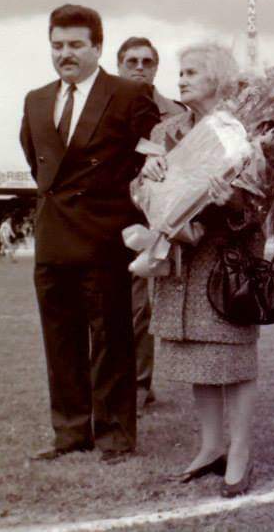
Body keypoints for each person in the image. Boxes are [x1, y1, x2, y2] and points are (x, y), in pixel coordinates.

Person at [19, 4, 159, 463]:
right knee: (59, 341)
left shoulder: (127, 95)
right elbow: (36, 160)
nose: (66, 54)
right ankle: (71, 433)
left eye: (76, 45)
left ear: (97, 47)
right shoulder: (36, 100)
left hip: (103, 239)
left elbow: (150, 160)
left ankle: (116, 436)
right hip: (53, 240)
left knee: (112, 340)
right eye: (57, 46)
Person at [142, 42, 259, 497]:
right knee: (195, 354)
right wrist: (148, 177)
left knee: (233, 356)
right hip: (181, 260)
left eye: (192, 72)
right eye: (181, 71)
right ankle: (211, 447)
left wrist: (233, 201)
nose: (182, 78)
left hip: (225, 260)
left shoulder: (241, 127)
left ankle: (242, 451)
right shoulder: (165, 128)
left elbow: (261, 200)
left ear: (216, 77)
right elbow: (140, 188)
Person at [116, 36, 187, 407]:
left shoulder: (176, 114)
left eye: (147, 61)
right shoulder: (104, 109)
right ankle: (116, 383)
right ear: (119, 65)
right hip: (112, 218)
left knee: (142, 309)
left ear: (156, 67)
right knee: (112, 308)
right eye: (132, 61)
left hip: (158, 224)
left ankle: (140, 386)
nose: (139, 67)